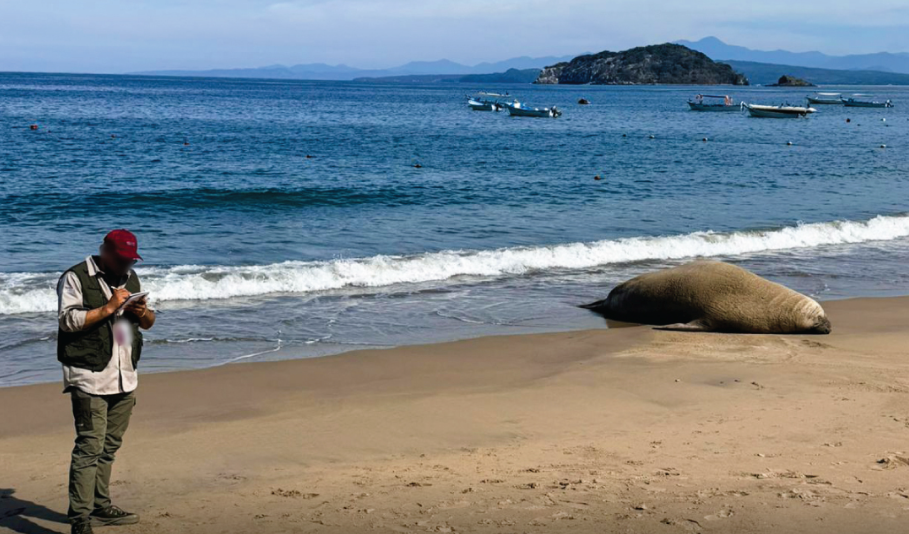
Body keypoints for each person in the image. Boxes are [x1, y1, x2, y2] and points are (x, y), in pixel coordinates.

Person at [57, 229, 156, 534]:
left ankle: (100, 506)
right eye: (122, 259)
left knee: (109, 446)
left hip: (125, 376)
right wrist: (109, 307)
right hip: (90, 377)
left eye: (131, 260)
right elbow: (68, 321)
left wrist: (142, 311)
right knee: (89, 447)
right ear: (105, 251)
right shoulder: (75, 277)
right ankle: (80, 520)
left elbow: (149, 323)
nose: (127, 265)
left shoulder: (130, 278)